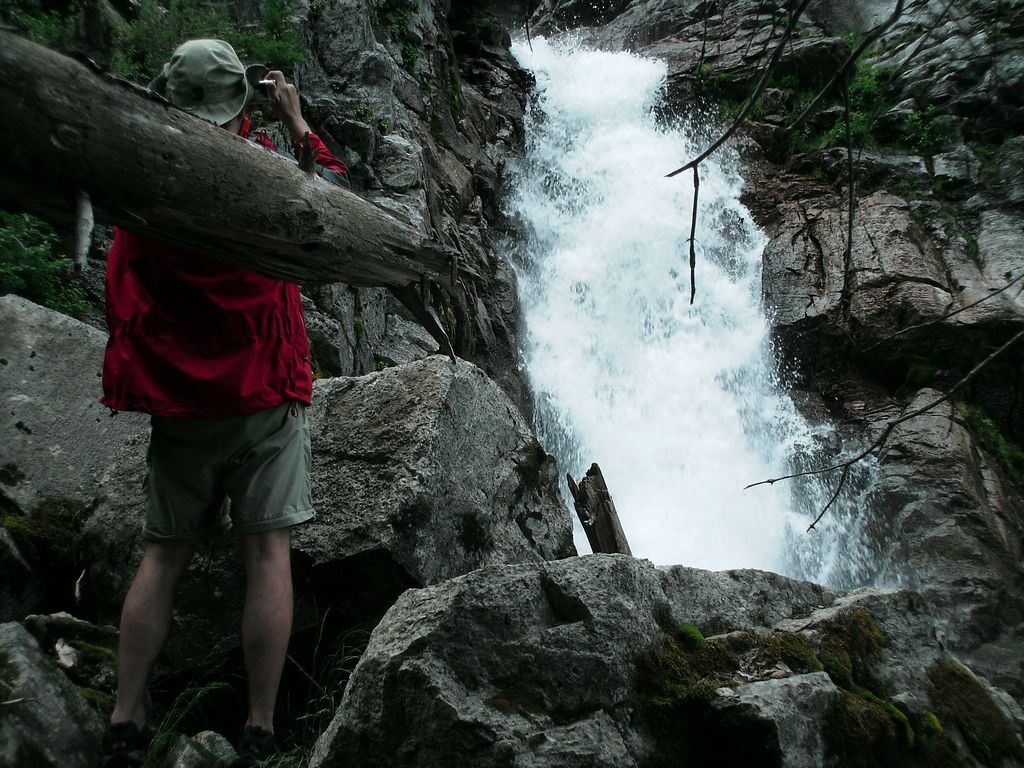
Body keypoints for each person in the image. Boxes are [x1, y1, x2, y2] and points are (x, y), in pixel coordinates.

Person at [99, 39, 348, 768]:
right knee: (268, 552)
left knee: (164, 555)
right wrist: (297, 125)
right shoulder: (267, 173)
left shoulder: (145, 187)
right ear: (244, 101)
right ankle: (262, 727)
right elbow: (333, 205)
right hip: (262, 399)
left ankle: (124, 717)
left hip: (181, 404)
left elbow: (125, 288)